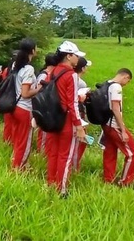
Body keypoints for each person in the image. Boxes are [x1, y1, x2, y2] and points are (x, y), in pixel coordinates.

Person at [45, 41, 88, 198]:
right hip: (66, 120)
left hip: (52, 118)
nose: (77, 59)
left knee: (53, 153)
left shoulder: (53, 71)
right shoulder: (71, 75)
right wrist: (79, 125)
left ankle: (51, 183)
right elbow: (72, 103)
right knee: (66, 155)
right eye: (76, 56)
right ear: (69, 56)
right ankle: (61, 189)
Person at [100, 68, 134, 187]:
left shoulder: (107, 84)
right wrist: (123, 130)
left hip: (105, 124)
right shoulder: (117, 87)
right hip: (114, 125)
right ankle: (125, 182)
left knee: (110, 152)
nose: (127, 84)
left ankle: (108, 180)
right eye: (128, 81)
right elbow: (116, 108)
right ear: (125, 77)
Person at [9, 39, 40, 171]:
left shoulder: (16, 65)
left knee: (18, 138)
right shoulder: (28, 68)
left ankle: (16, 161)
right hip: (24, 108)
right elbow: (26, 93)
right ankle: (19, 167)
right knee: (25, 141)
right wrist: (39, 89)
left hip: (15, 106)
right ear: (32, 50)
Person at [35, 53, 57, 154]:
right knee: (43, 133)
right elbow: (39, 90)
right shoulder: (44, 75)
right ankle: (41, 153)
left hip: (46, 106)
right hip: (43, 106)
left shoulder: (48, 73)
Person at [1, 50, 19, 144]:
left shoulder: (6, 70)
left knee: (8, 123)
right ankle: (13, 143)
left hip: (6, 99)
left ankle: (6, 142)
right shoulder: (20, 70)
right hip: (16, 99)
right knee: (15, 124)